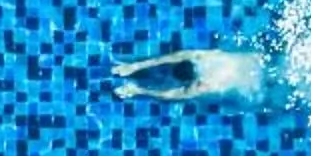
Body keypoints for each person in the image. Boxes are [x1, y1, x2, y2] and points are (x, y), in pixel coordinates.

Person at [110, 48, 272, 103]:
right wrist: (134, 66)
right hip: (258, 58)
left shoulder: (204, 84)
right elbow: (175, 57)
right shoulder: (204, 57)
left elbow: (174, 94)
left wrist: (138, 90)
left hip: (258, 84)